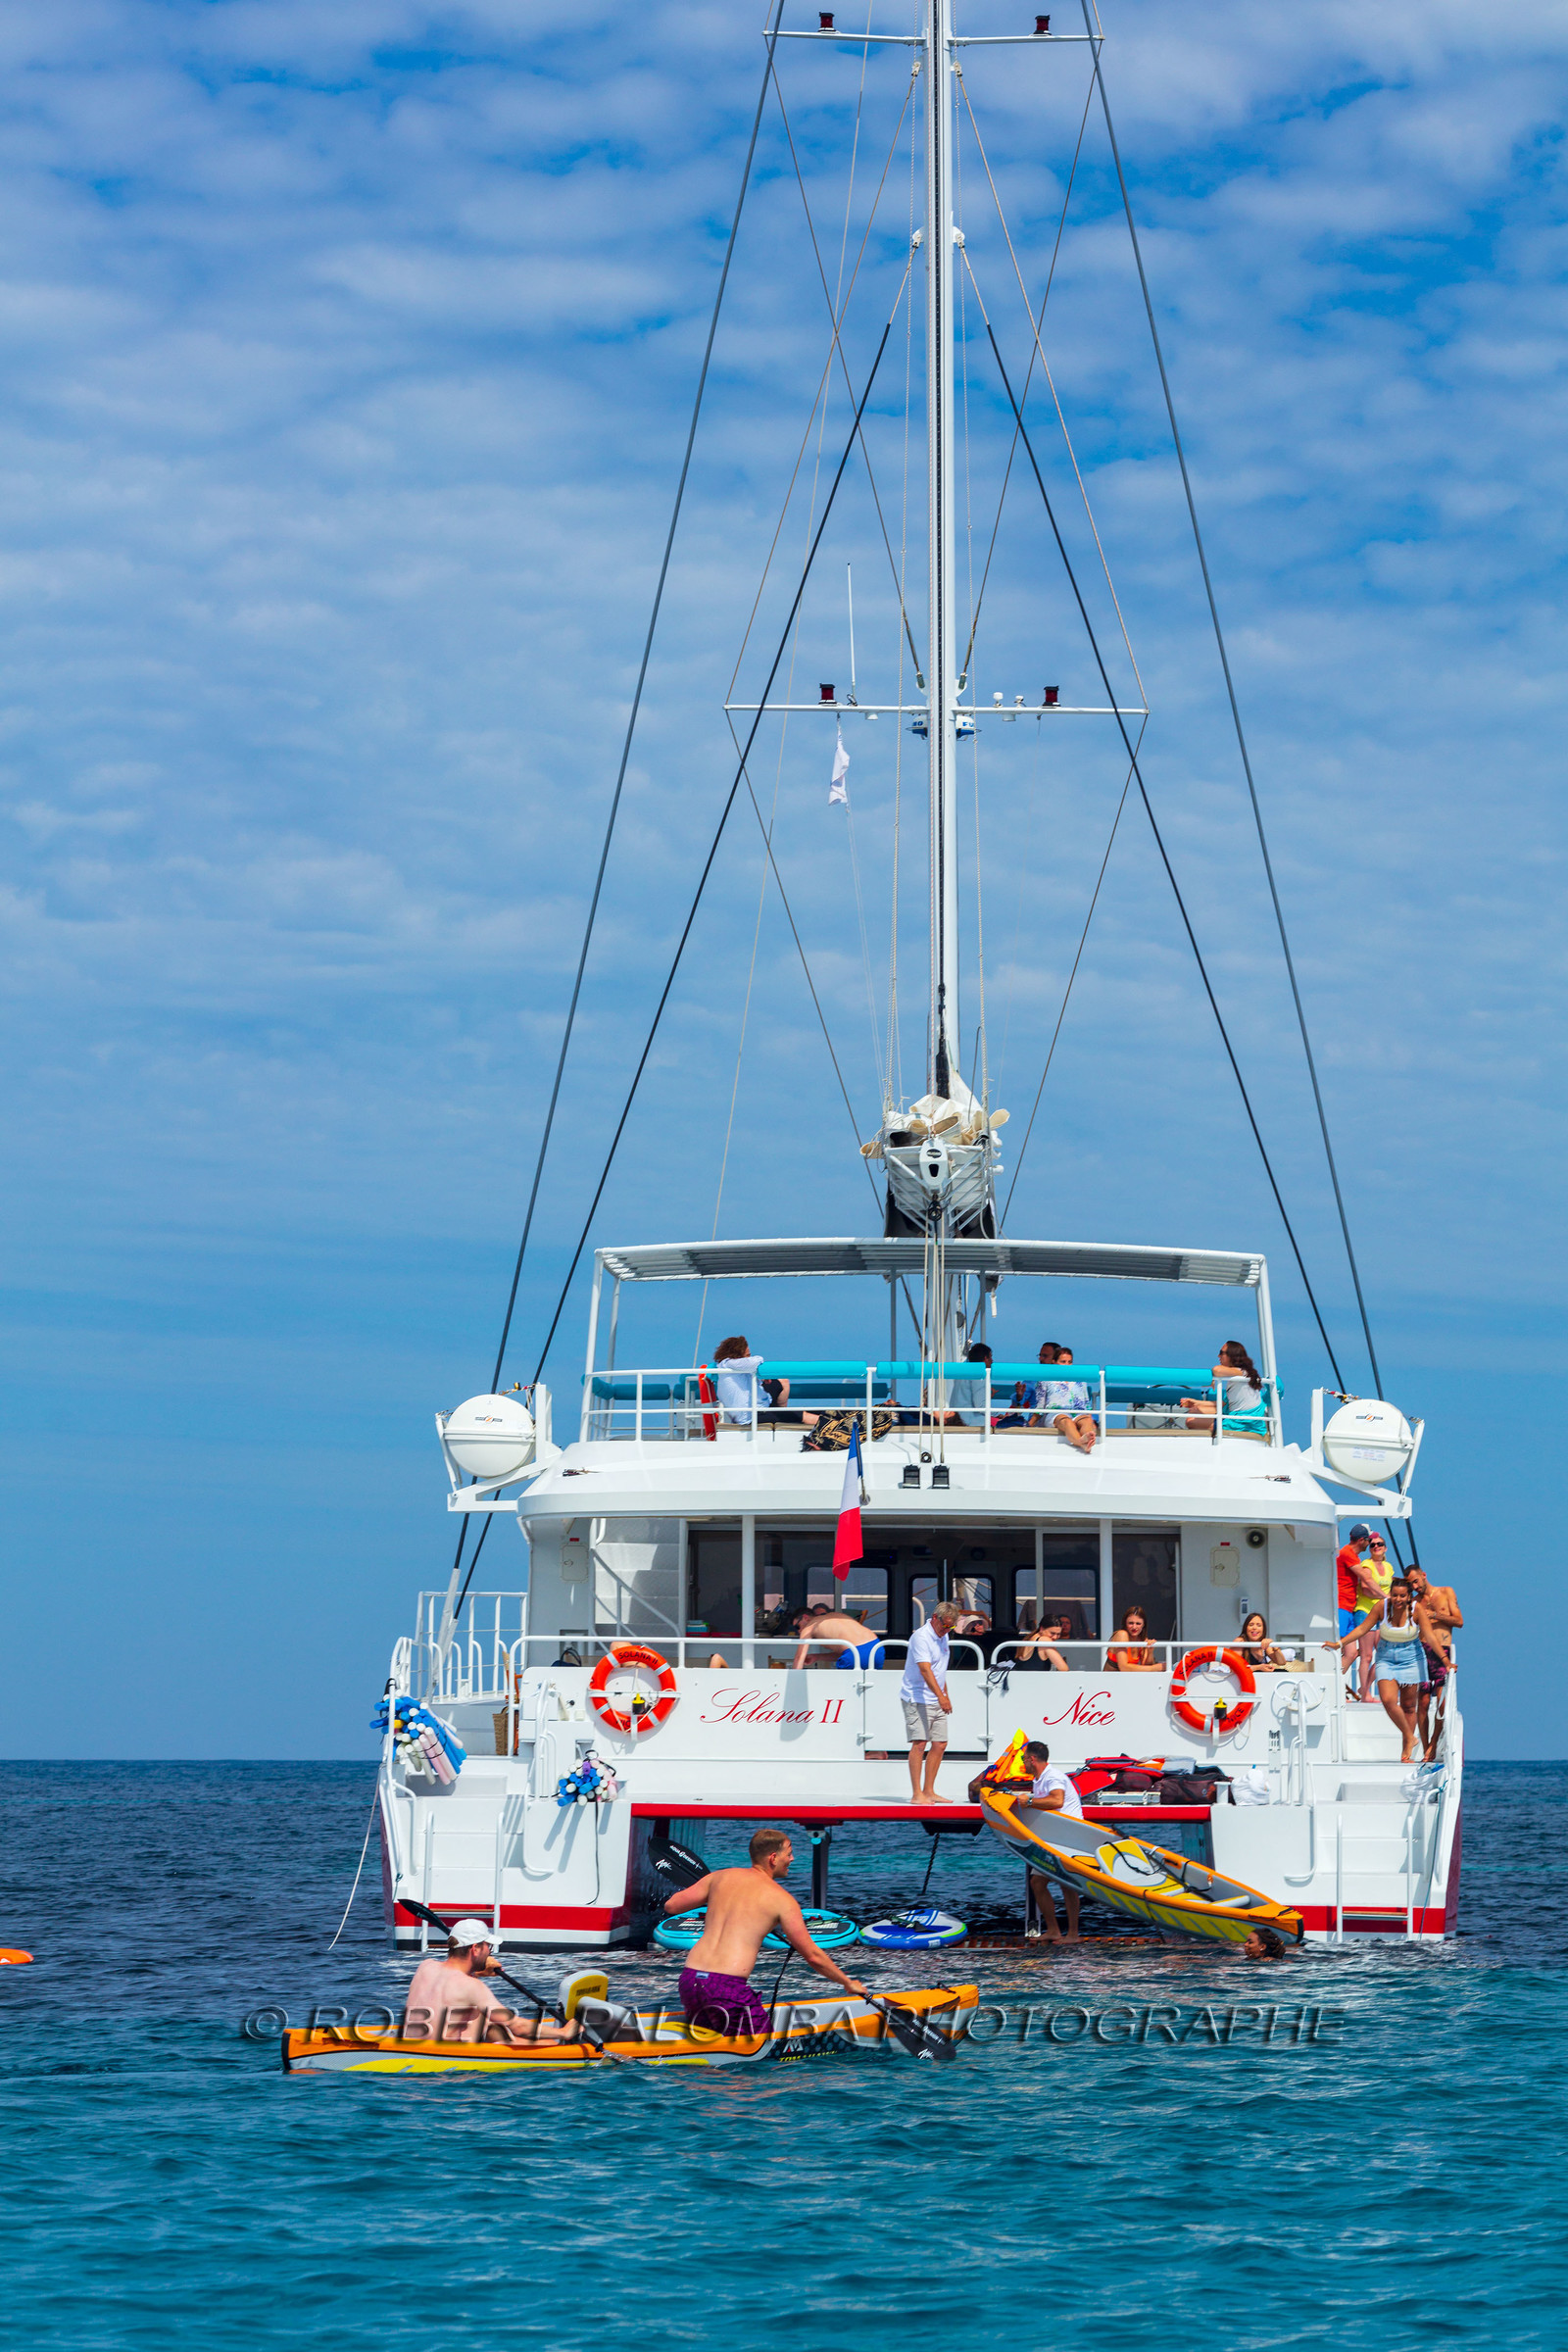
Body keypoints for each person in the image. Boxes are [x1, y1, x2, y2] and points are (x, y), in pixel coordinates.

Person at [662, 1827, 868, 2036]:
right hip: (725, 1987)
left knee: (714, 2044)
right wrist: (848, 1982)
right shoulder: (782, 1900)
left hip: (691, 1980)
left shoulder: (719, 1877)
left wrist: (714, 1895)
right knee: (764, 2044)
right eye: (789, 1853)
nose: (792, 1859)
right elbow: (813, 1956)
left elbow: (672, 1906)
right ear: (773, 1858)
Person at [403, 1919, 584, 2045]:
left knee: (482, 2018)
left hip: (412, 2047)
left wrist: (477, 1971)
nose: (490, 1952)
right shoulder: (472, 1987)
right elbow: (516, 2025)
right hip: (447, 2071)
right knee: (549, 2042)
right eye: (487, 1946)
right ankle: (555, 2046)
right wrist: (563, 2032)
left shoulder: (425, 1966)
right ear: (475, 1949)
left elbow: (452, 1989)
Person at [1332, 1576, 1425, 1761]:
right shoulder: (1382, 1607)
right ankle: (1410, 1736)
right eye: (1394, 1595)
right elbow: (1362, 1629)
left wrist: (1443, 1660)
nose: (1398, 1599)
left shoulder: (1416, 1610)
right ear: (1390, 1594)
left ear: (1408, 1597)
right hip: (1387, 1659)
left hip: (1411, 1660)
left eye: (1402, 1596)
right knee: (1389, 1700)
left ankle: (1406, 1752)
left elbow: (1428, 1634)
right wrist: (1340, 1643)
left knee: (1408, 1706)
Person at [1024, 1739, 1085, 1942]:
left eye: (1024, 1759)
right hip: (1052, 1838)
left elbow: (1057, 1800)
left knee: (1067, 1884)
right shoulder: (1038, 1779)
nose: (1023, 1763)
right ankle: (1053, 1931)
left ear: (1032, 1759)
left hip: (1068, 1837)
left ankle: (1073, 1934)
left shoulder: (1053, 1776)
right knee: (1037, 1882)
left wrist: (1029, 1801)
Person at [901, 1599, 959, 1802]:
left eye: (951, 1627)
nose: (947, 1630)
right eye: (945, 1625)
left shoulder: (943, 1636)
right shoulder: (921, 1637)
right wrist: (941, 1697)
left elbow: (939, 1670)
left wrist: (945, 1694)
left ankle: (929, 1790)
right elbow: (925, 1670)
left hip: (935, 1696)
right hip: (916, 1697)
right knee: (919, 1744)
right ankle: (917, 1793)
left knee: (940, 1743)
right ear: (935, 1618)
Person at [1406, 1562, 1463, 1760]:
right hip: (1422, 1653)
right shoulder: (1414, 1602)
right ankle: (1426, 1748)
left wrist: (1435, 1615)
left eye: (1416, 1581)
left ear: (1423, 1575)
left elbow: (1459, 1621)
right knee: (1422, 1703)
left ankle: (1433, 1742)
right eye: (1411, 1584)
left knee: (1441, 1702)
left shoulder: (1446, 1592)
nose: (1415, 1587)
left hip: (1442, 1652)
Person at [1181, 1341, 1265, 1434]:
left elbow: (1217, 1370)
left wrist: (1214, 1377)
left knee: (1190, 1422)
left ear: (1232, 1355)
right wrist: (1196, 1403)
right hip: (1234, 1414)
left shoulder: (1242, 1372)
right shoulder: (1236, 1376)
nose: (1218, 1356)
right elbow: (1224, 1403)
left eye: (1221, 1353)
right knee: (1194, 1411)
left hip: (1243, 1421)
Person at [1031, 1342, 1098, 1454]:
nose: (1067, 1365)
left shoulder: (1080, 1380)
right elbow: (1040, 1407)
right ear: (1054, 1362)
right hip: (1056, 1414)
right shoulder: (1045, 1379)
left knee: (1086, 1421)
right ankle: (1081, 1442)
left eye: (1069, 1362)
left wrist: (1092, 1421)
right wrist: (1030, 1424)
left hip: (1078, 1413)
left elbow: (1086, 1404)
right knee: (1067, 1422)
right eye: (1063, 1362)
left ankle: (1088, 1438)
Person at [1352, 1534, 1396, 1701]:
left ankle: (1364, 1688)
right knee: (1367, 1656)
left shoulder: (1388, 1566)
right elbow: (1365, 1589)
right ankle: (1365, 1694)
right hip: (1366, 1612)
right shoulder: (1366, 1564)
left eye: (1380, 1544)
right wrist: (1386, 1598)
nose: (1376, 1546)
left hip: (1382, 1614)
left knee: (1385, 1654)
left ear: (1385, 1548)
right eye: (1372, 1545)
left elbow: (1392, 1587)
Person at [791, 1605, 885, 1672]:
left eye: (797, 1626)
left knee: (843, 1692)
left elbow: (799, 1658)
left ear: (805, 1618)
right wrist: (817, 1657)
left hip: (854, 1653)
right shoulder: (835, 1616)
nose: (799, 1631)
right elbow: (847, 1650)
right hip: (876, 1648)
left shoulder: (809, 1627)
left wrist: (792, 1685)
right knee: (870, 1690)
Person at [936, 1340, 992, 1427]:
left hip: (956, 1419)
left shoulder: (962, 1371)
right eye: (990, 1357)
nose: (992, 1361)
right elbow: (980, 1406)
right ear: (985, 1358)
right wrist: (998, 1414)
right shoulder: (979, 1374)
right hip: (971, 1422)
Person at [1336, 1522, 1374, 1640]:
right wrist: (1385, 1596)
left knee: (1349, 1648)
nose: (1370, 1544)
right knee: (1338, 1643)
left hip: (1348, 1607)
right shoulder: (1347, 1553)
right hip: (1342, 1606)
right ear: (1361, 1540)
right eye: (1369, 1540)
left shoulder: (1352, 1555)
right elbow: (1366, 1578)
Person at [1105, 1604, 1161, 1672]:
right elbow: (1124, 1667)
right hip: (1110, 1678)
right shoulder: (1122, 1635)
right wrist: (1156, 1667)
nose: (1134, 1627)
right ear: (1125, 1623)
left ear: (1143, 1625)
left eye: (1138, 1623)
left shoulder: (1142, 1639)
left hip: (1127, 1677)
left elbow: (1147, 1666)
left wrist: (1150, 1652)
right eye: (1131, 1623)